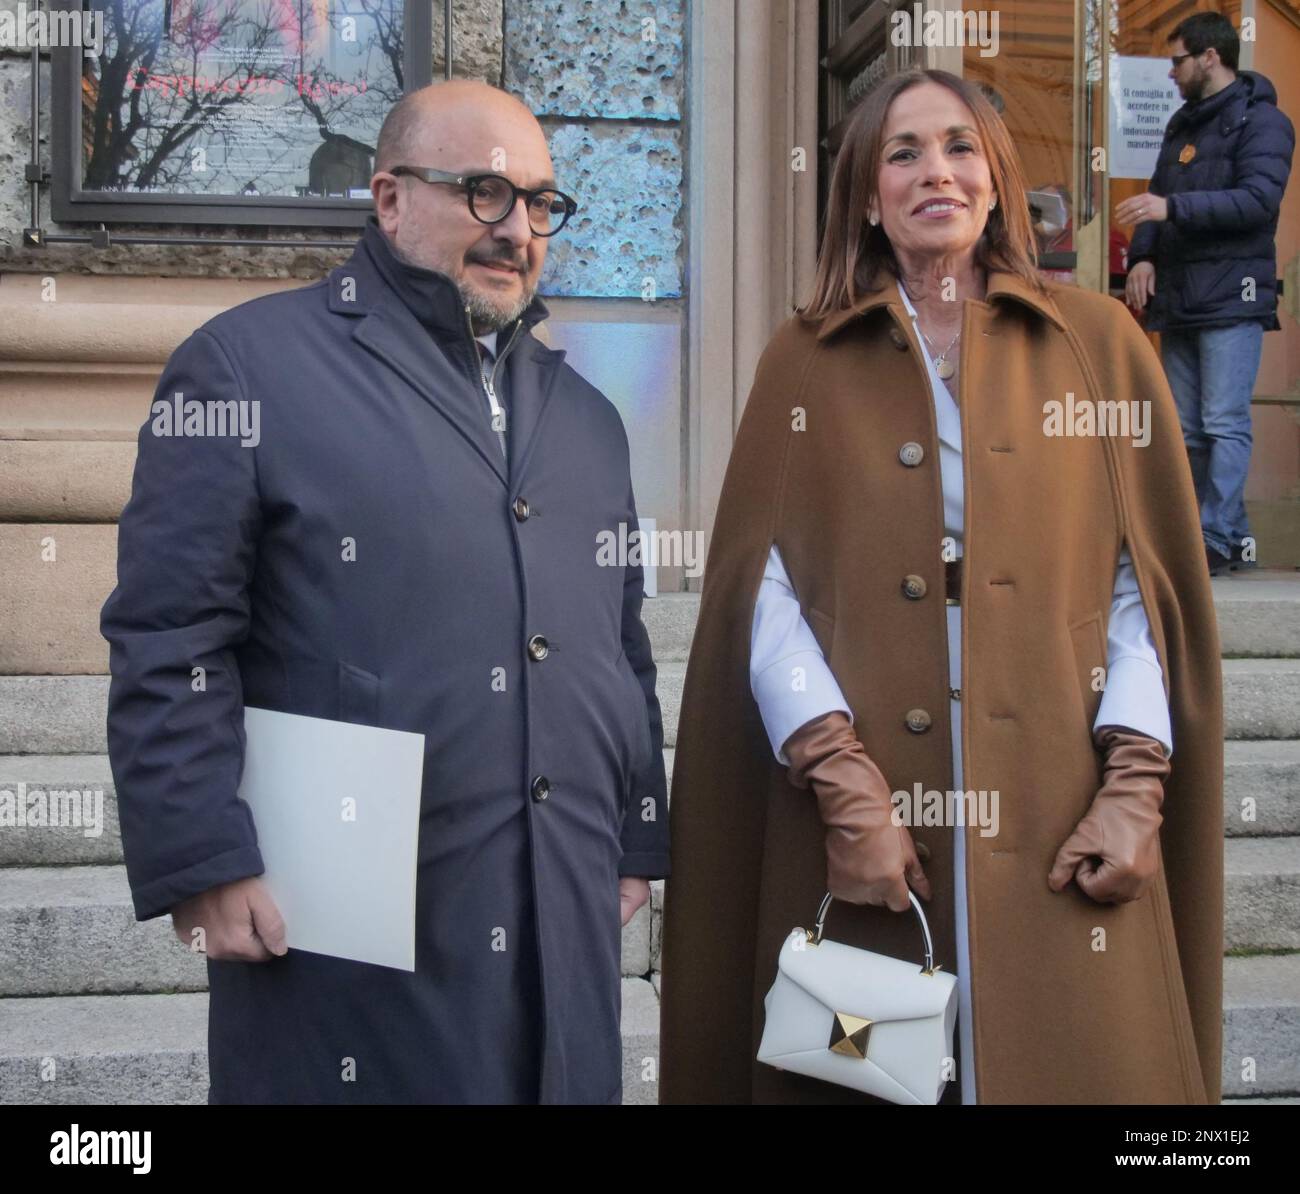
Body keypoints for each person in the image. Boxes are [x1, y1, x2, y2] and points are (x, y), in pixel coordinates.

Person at [659, 68, 1223, 1105]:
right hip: (871, 780)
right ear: (866, 196)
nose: (937, 174)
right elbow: (762, 595)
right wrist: (840, 781)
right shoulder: (804, 359)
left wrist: (1135, 785)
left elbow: (1139, 586)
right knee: (871, 1071)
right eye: (903, 153)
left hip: (1059, 780)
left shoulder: (1098, 344)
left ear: (998, 179)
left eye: (960, 148)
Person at [100, 80, 670, 1104]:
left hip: (558, 905)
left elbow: (618, 637)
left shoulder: (587, 418)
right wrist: (200, 857)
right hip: (344, 924)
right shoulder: (244, 368)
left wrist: (634, 829)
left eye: (540, 204)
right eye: (485, 192)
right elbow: (169, 633)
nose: (517, 229)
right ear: (390, 196)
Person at [1121, 11, 1294, 576]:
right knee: (1189, 428)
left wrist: (1172, 211)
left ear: (1210, 58)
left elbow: (1257, 203)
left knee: (1222, 423)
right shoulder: (1182, 125)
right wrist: (1143, 255)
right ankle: (1222, 535)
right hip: (1181, 295)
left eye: (1177, 60)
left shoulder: (1265, 123)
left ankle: (1213, 537)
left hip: (1233, 298)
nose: (1170, 73)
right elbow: (1156, 195)